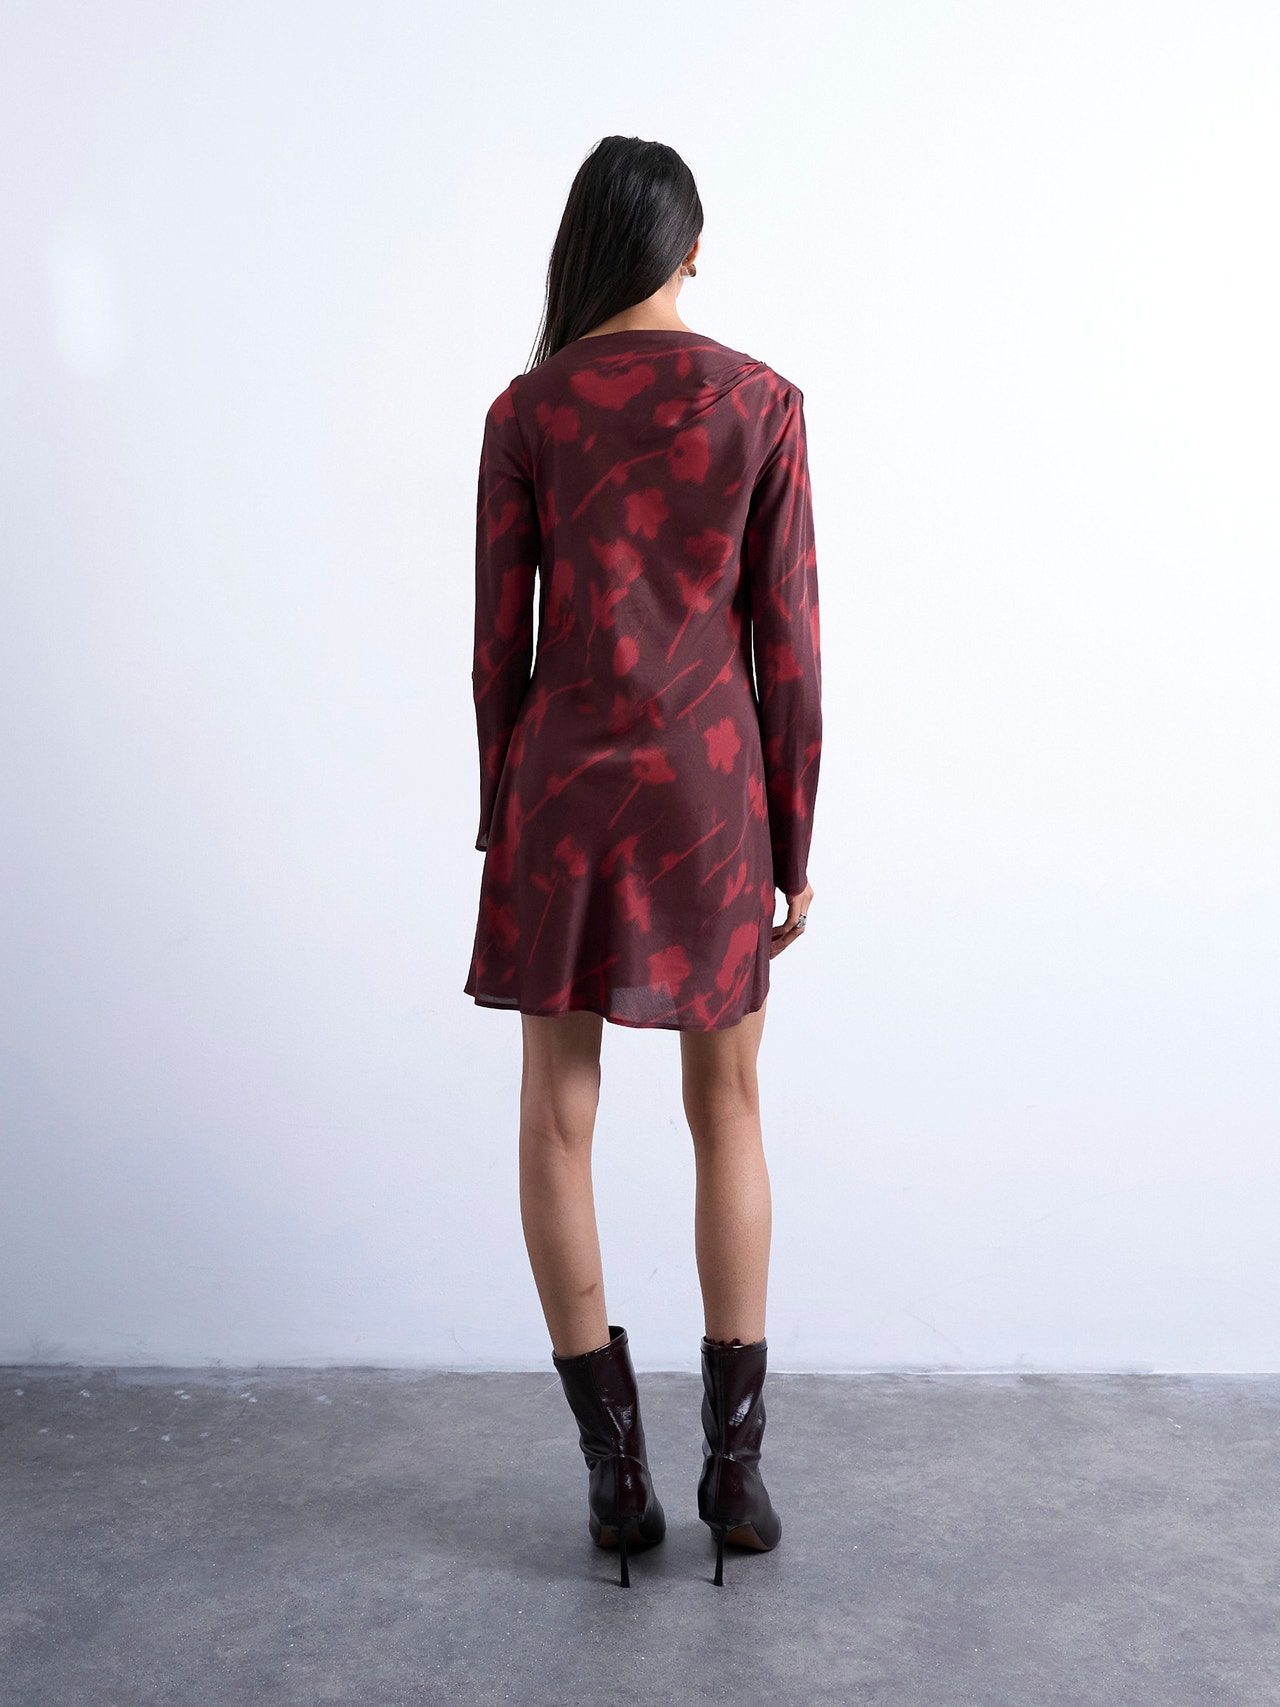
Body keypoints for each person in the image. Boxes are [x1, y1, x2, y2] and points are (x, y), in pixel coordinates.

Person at [463, 135, 822, 1588]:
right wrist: (795, 832)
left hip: (563, 788)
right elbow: (788, 644)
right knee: (726, 1103)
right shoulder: (763, 403)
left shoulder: (527, 409)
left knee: (559, 1112)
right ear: (691, 249)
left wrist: (499, 813)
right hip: (712, 789)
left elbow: (497, 645)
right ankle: (736, 1472)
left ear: (585, 249)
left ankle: (616, 1479)